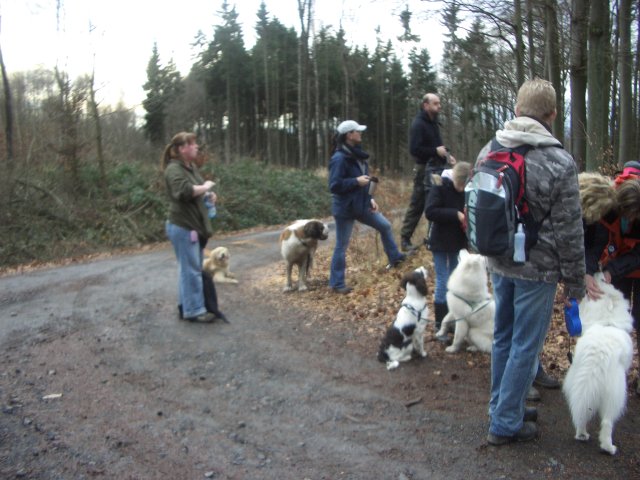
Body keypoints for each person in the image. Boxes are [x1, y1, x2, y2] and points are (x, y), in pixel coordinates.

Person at [481, 79, 586, 446]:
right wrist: (576, 282)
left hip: (497, 262)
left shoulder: (489, 151)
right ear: (552, 115)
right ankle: (505, 422)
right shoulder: (560, 162)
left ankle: (502, 408)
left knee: (503, 338)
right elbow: (570, 229)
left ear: (516, 110)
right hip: (537, 270)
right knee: (526, 343)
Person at [328, 120, 406, 294]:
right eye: (358, 131)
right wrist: (356, 181)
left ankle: (395, 258)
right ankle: (336, 283)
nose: (361, 134)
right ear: (349, 135)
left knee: (385, 226)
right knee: (341, 245)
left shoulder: (359, 156)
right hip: (345, 208)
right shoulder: (339, 158)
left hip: (362, 204)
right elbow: (334, 185)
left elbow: (365, 183)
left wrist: (370, 198)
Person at [583, 174, 640, 393]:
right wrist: (588, 272)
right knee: (616, 319)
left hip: (625, 265)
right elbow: (595, 245)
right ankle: (615, 371)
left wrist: (611, 269)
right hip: (617, 271)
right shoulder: (607, 206)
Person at [162, 131, 218, 322]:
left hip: (194, 226)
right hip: (183, 226)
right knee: (192, 270)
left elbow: (197, 191)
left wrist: (208, 196)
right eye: (192, 144)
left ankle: (185, 306)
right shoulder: (173, 169)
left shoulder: (190, 167)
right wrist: (206, 187)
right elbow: (183, 191)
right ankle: (194, 310)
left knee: (189, 269)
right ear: (181, 149)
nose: (196, 147)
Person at [400, 93, 456, 252]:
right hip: (423, 169)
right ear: (426, 105)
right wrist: (434, 151)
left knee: (437, 202)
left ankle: (433, 237)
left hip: (437, 169)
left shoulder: (433, 123)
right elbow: (414, 149)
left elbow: (438, 147)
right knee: (417, 204)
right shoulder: (418, 124)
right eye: (435, 104)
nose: (439, 106)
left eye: (439, 103)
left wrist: (448, 156)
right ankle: (405, 239)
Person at [424, 162, 471, 341]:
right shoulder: (441, 186)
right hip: (440, 242)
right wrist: (455, 214)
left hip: (457, 243)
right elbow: (430, 212)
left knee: (455, 281)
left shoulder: (467, 191)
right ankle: (440, 325)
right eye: (460, 185)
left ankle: (451, 320)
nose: (461, 189)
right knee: (443, 281)